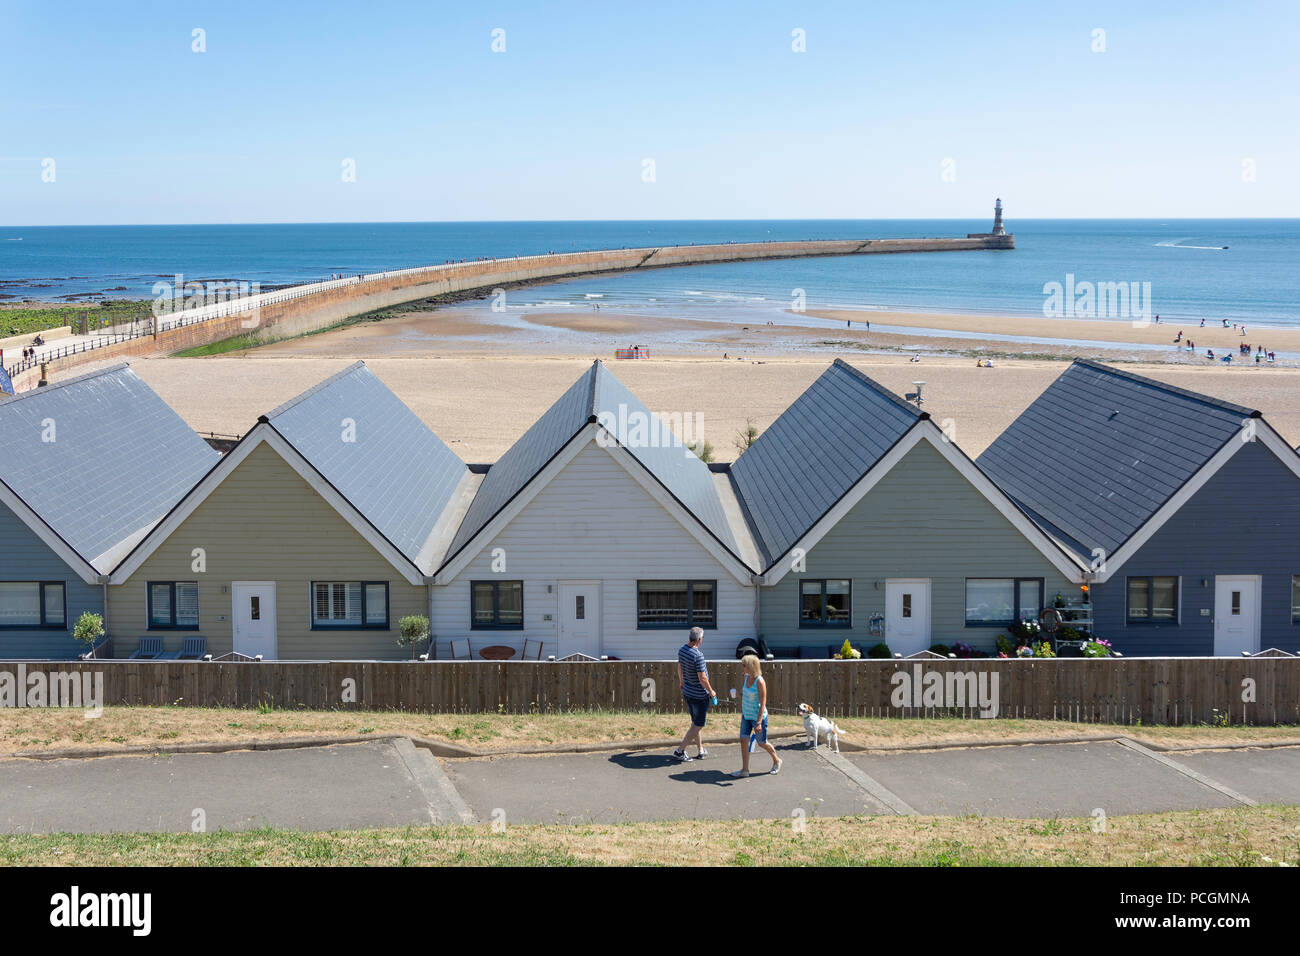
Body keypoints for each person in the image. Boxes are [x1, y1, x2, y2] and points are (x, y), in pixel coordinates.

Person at [730, 654, 781, 778]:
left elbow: (763, 703)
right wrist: (738, 694)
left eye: (744, 665)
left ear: (751, 666)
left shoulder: (760, 681)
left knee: (762, 742)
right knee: (743, 740)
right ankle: (745, 770)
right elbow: (746, 694)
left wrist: (758, 722)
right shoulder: (746, 678)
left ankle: (777, 760)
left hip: (758, 718)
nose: (742, 667)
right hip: (746, 715)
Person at [674, 626, 716, 762]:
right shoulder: (698, 655)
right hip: (699, 695)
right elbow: (702, 678)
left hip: (687, 692)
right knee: (698, 724)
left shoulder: (682, 650)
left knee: (695, 723)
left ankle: (700, 750)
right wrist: (712, 692)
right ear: (699, 639)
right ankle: (680, 751)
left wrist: (681, 682)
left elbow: (679, 667)